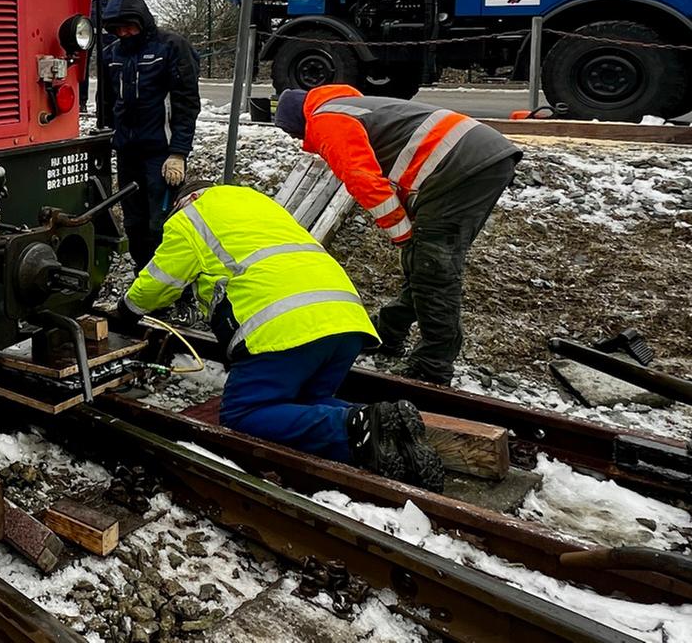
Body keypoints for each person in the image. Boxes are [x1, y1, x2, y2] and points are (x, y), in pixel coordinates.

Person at [111, 182, 444, 490]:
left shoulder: (191, 218)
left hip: (286, 326)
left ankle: (352, 425)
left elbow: (159, 282)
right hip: (345, 317)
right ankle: (389, 431)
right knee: (301, 405)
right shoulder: (257, 204)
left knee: (243, 413)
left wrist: (125, 312)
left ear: (189, 200)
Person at [275, 85, 521, 387]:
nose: (300, 142)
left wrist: (401, 233)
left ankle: (432, 366)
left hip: (462, 167)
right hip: (479, 158)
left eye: (295, 135)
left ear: (299, 122)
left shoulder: (326, 120)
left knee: (433, 269)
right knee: (426, 262)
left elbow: (363, 181)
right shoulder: (351, 107)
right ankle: (389, 333)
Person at [95, 0, 199, 269]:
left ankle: (172, 281)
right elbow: (105, 103)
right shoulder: (110, 54)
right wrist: (104, 138)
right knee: (134, 222)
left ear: (142, 20)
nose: (125, 33)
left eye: (129, 26)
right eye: (118, 28)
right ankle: (144, 275)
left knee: (161, 223)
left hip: (161, 154)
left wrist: (178, 152)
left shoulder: (171, 47)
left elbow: (186, 103)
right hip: (127, 152)